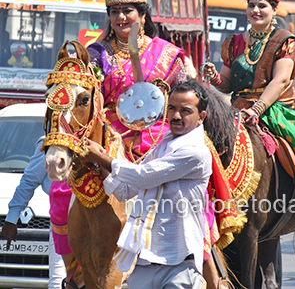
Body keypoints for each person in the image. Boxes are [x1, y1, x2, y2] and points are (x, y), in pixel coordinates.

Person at [202, 0, 295, 243]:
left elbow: (281, 79)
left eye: (262, 5)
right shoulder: (233, 43)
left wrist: (259, 108)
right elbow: (228, 84)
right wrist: (215, 76)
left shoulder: (285, 40)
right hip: (238, 111)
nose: (255, 10)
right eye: (251, 4)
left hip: (277, 110)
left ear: (274, 8)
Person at [83, 80, 210, 289]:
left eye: (185, 111)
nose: (176, 116)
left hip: (179, 262)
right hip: (144, 261)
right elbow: (125, 192)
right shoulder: (163, 145)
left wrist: (103, 159)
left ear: (201, 117)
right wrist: (100, 158)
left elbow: (144, 176)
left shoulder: (196, 152)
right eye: (172, 109)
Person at [87, 0, 186, 162]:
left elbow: (182, 99)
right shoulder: (96, 54)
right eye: (115, 12)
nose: (120, 17)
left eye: (127, 11)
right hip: (110, 138)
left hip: (159, 137)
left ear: (142, 16)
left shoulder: (167, 54)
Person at [0, 137, 66, 289]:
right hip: (62, 220)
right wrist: (11, 219)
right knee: (58, 280)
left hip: (95, 222)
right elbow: (29, 181)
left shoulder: (99, 141)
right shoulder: (50, 143)